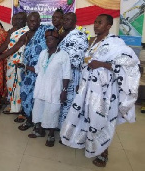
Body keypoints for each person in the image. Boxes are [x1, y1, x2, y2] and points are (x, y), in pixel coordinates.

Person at [60, 14, 140, 167]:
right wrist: (80, 83)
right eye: (95, 22)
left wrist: (103, 65)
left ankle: (104, 152)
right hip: (86, 88)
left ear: (109, 26)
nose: (96, 25)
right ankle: (88, 144)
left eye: (100, 23)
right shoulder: (93, 42)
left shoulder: (115, 43)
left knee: (100, 119)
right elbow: (86, 63)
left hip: (103, 91)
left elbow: (130, 65)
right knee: (86, 117)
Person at [0, 12, 51, 126]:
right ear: (27, 22)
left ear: (39, 21)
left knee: (37, 94)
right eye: (30, 21)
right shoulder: (25, 34)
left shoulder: (45, 32)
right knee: (25, 91)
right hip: (26, 68)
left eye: (35, 21)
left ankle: (36, 118)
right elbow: (13, 48)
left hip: (40, 69)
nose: (32, 23)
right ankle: (26, 114)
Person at [25, 29, 71, 147]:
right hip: (41, 87)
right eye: (47, 39)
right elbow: (38, 69)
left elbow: (66, 74)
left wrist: (64, 91)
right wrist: (25, 66)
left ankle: (51, 135)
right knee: (39, 109)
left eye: (51, 39)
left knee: (52, 111)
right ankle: (39, 130)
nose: (48, 41)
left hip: (54, 88)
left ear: (57, 40)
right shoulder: (43, 53)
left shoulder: (63, 55)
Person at [0, 12, 28, 114]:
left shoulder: (26, 31)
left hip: (19, 62)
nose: (18, 21)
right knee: (11, 84)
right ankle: (13, 105)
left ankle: (17, 109)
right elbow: (5, 45)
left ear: (26, 20)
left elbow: (16, 47)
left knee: (17, 85)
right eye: (17, 19)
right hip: (10, 61)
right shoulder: (13, 31)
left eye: (21, 19)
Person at [58, 12, 88, 128]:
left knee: (69, 103)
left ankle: (67, 131)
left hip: (72, 75)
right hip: (63, 74)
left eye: (68, 19)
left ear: (75, 22)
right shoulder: (66, 35)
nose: (65, 21)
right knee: (63, 102)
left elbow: (75, 61)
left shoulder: (78, 36)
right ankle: (61, 128)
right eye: (64, 19)